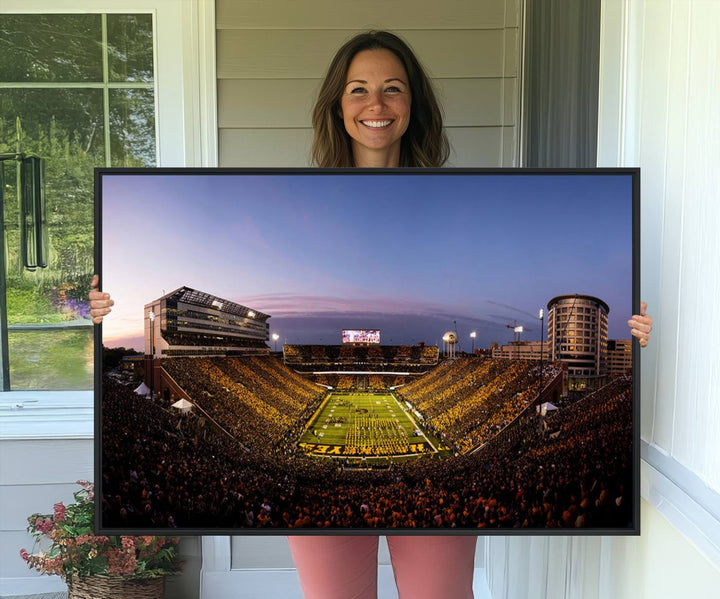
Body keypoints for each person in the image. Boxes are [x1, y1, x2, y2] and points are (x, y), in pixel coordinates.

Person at [89, 30, 652, 599]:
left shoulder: (455, 199)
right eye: (358, 89)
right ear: (338, 104)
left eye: (393, 89)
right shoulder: (301, 194)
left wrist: (628, 342)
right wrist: (99, 313)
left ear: (414, 105)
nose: (376, 104)